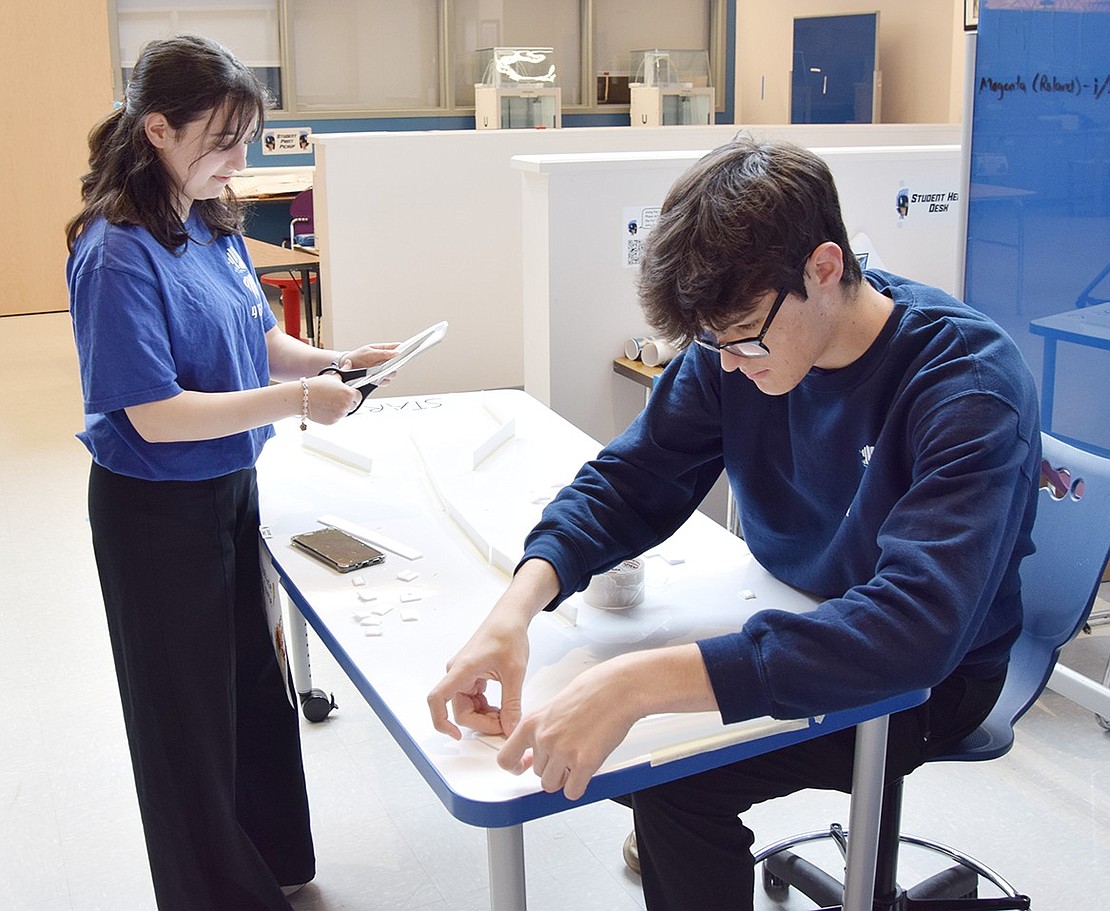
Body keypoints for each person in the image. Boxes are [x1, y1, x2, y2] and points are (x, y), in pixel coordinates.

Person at [427, 136, 1041, 910]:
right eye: (711, 342)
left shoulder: (967, 385)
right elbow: (632, 479)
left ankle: (681, 829)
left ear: (823, 268)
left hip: (932, 680)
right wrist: (516, 606)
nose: (726, 364)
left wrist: (637, 685)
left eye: (744, 334)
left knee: (673, 780)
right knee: (632, 740)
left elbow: (913, 633)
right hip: (794, 612)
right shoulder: (735, 347)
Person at [65, 35, 396, 911]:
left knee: (253, 687)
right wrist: (297, 405)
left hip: (226, 490)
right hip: (153, 511)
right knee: (185, 722)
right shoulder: (117, 251)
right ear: (158, 130)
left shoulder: (209, 214)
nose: (238, 161)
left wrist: (333, 358)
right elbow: (153, 414)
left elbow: (253, 336)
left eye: (246, 138)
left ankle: (273, 860)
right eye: (222, 140)